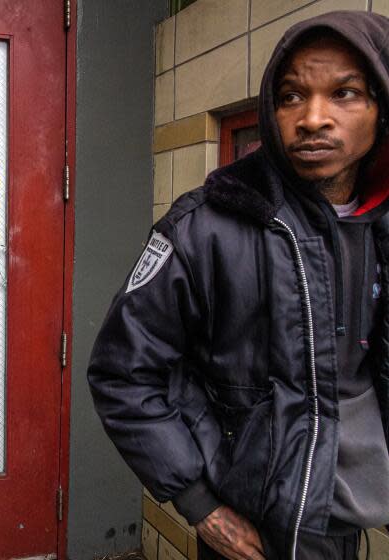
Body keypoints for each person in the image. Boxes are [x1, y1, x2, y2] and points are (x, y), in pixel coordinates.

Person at [88, 11, 389, 560]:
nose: (313, 118)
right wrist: (200, 504)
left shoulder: (380, 226)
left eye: (344, 93)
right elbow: (121, 372)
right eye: (292, 96)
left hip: (344, 524)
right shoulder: (205, 225)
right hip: (248, 532)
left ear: (380, 107)